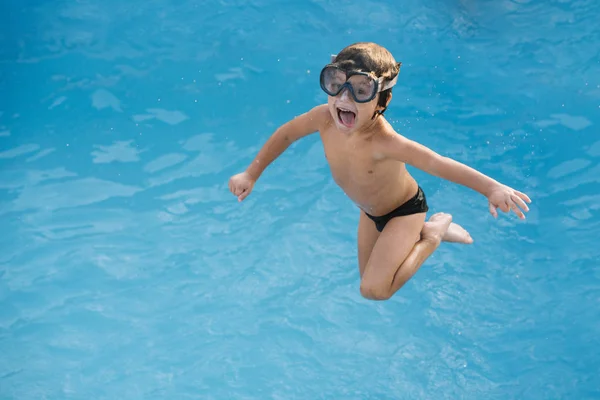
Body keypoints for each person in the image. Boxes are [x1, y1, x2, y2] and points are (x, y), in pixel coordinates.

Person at [228, 42, 531, 301]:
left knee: (374, 290)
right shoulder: (323, 118)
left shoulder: (385, 141)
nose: (345, 99)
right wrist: (251, 174)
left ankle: (433, 233)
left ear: (382, 100)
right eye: (336, 85)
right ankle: (421, 234)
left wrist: (491, 187)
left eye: (361, 91)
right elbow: (286, 134)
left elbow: (437, 162)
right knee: (368, 274)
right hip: (370, 211)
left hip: (403, 211)